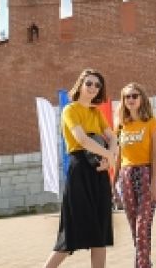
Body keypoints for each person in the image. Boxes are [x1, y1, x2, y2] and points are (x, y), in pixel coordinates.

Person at [45, 69, 117, 268]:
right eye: (89, 83)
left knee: (100, 232)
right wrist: (109, 155)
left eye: (97, 85)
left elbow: (112, 137)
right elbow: (82, 139)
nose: (93, 88)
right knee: (71, 233)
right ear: (80, 85)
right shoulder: (70, 110)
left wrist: (109, 156)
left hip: (99, 170)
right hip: (79, 171)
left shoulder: (96, 112)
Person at [116, 82, 156, 268]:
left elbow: (155, 155)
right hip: (125, 176)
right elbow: (118, 155)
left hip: (145, 173)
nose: (131, 100)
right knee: (134, 228)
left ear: (142, 98)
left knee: (142, 226)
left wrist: (153, 183)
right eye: (127, 97)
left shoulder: (151, 123)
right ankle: (144, 264)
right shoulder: (121, 125)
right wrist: (113, 183)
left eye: (135, 96)